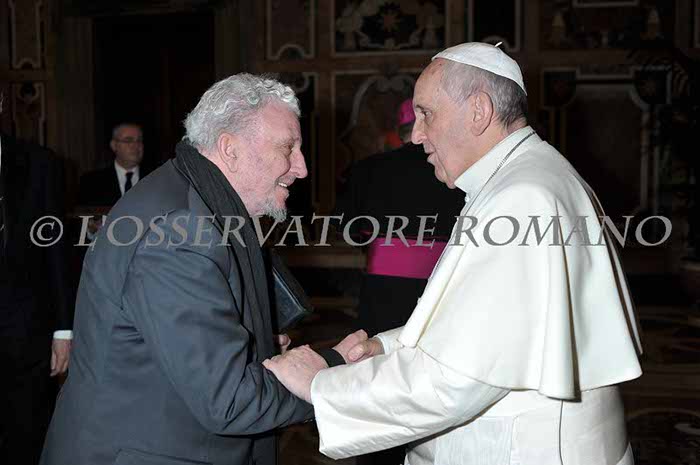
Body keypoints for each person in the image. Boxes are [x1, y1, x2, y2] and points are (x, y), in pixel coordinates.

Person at [263, 43, 643, 465]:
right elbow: (480, 327)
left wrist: (320, 386)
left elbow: (456, 379)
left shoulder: (522, 196)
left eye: (426, 113)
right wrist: (388, 347)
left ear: (478, 111)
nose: (416, 134)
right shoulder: (526, 175)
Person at [40, 74, 365, 465]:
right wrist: (329, 370)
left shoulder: (198, 200)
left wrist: (254, 346)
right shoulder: (179, 232)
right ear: (230, 149)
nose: (302, 167)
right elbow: (230, 401)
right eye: (288, 148)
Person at [0, 104, 72, 464]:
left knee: (27, 437)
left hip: (25, 333)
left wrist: (63, 329)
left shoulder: (37, 162)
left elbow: (56, 249)